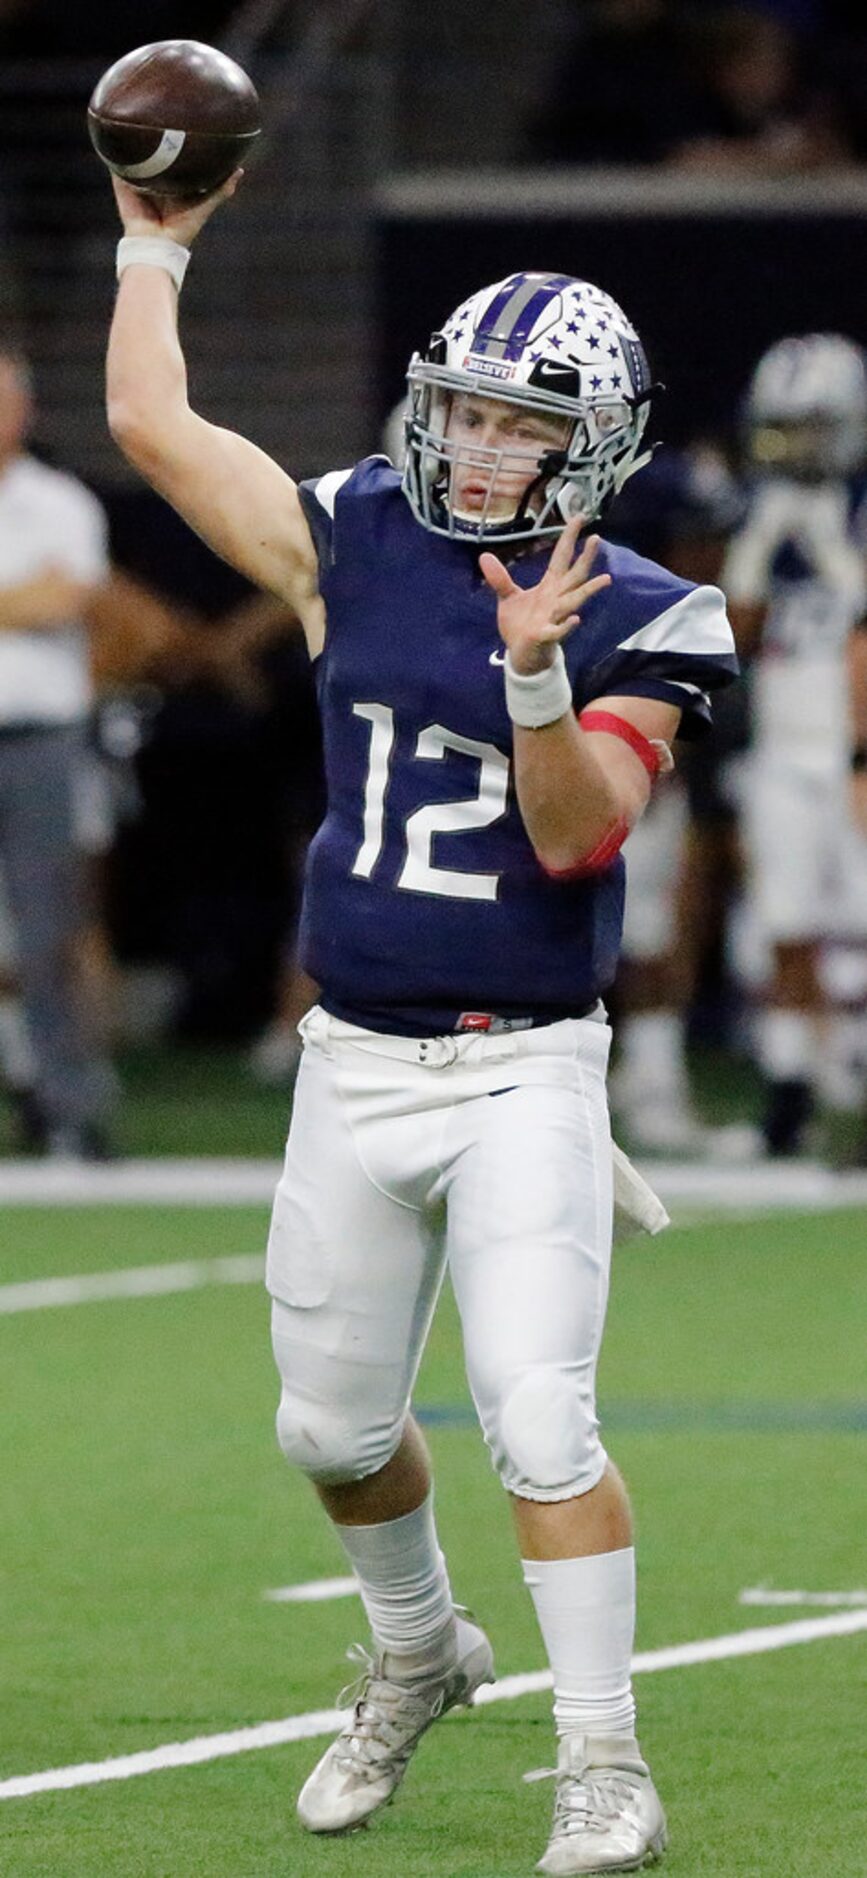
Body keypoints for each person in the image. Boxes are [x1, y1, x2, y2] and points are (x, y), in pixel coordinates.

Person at [105, 173, 737, 1874]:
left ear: (587, 443)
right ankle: (418, 1646)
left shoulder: (647, 608)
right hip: (354, 1061)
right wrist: (152, 234)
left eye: (514, 422)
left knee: (538, 1411)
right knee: (329, 1429)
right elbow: (151, 424)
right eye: (457, 404)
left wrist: (532, 671)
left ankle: (603, 1759)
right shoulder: (357, 530)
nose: (470, 443)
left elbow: (573, 828)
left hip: (524, 1057)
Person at [723, 333, 867, 1155]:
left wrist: (839, 562)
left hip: (850, 751)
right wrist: (749, 561)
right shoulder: (757, 512)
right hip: (782, 752)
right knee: (785, 922)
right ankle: (787, 1095)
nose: (793, 447)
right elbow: (727, 645)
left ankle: (846, 1082)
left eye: (810, 427)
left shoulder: (853, 513)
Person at [0, 342, 120, 1158]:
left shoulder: (60, 501)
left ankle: (68, 1107)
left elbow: (64, 597)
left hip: (40, 738)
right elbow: (34, 598)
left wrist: (36, 599)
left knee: (50, 927)